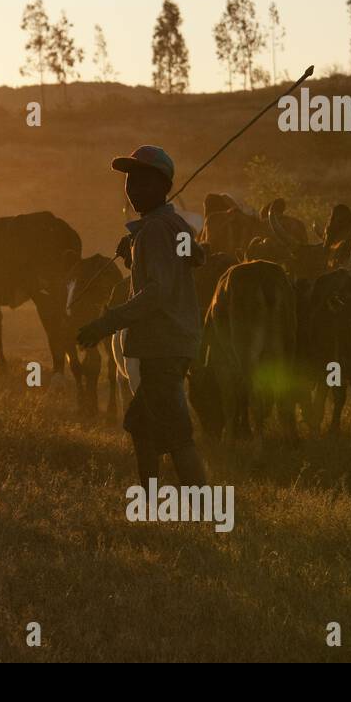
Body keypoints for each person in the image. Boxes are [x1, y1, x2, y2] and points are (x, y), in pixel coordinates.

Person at [75, 145, 208, 487]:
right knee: (141, 425)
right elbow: (190, 259)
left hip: (162, 344)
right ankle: (150, 499)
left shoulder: (153, 230)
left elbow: (157, 292)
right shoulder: (172, 225)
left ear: (164, 186)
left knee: (177, 433)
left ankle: (203, 507)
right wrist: (134, 253)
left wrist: (106, 322)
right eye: (130, 182)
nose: (133, 189)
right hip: (173, 342)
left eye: (144, 182)